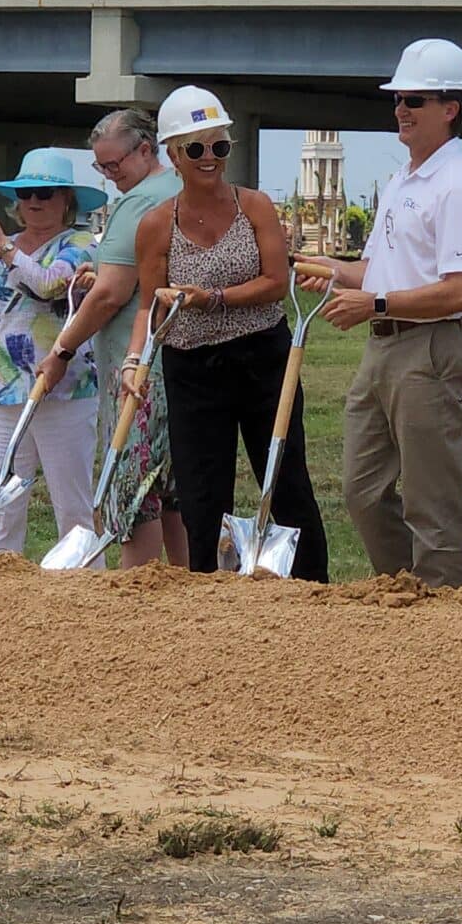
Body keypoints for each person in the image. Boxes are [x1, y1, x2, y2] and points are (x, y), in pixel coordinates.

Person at [300, 39, 462, 587]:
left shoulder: (458, 185)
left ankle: (437, 608)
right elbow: (379, 272)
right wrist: (334, 269)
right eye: (397, 98)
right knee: (361, 492)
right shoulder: (403, 178)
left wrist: (375, 302)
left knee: (432, 499)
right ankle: (406, 589)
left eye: (414, 99)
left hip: (428, 349)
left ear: (450, 108)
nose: (400, 109)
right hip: (382, 348)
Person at [129, 85, 330, 580]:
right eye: (196, 148)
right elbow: (149, 307)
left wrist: (213, 298)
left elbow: (275, 282)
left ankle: (314, 594)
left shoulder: (255, 206)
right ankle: (207, 595)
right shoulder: (156, 225)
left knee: (286, 481)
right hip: (192, 369)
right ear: (174, 156)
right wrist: (135, 362)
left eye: (219, 146)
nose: (209, 158)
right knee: (202, 493)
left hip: (262, 358)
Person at [32, 109, 189, 568]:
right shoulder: (180, 191)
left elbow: (110, 296)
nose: (108, 175)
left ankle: (127, 597)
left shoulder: (138, 202)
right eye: (100, 167)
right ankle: (195, 592)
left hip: (138, 374)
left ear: (146, 150)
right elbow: (128, 277)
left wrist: (61, 350)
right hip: (183, 368)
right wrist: (99, 270)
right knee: (177, 497)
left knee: (133, 496)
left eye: (113, 165)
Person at [0, 148, 102, 557]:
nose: (35, 201)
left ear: (67, 200)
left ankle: (87, 592)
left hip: (63, 386)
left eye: (46, 193)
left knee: (71, 504)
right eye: (27, 192)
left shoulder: (81, 244)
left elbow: (50, 285)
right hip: (3, 390)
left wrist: (0, 245)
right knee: (0, 504)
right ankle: (0, 596)